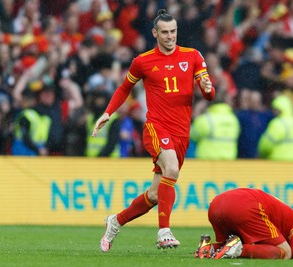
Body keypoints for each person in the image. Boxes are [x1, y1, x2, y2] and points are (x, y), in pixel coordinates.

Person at [92, 9, 215, 252]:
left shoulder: (192, 56)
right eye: (165, 32)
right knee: (171, 169)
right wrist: (108, 112)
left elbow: (209, 94)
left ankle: (115, 221)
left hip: (181, 133)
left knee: (156, 194)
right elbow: (124, 88)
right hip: (156, 127)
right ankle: (164, 232)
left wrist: (207, 88)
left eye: (173, 31)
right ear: (155, 33)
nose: (170, 37)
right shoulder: (143, 61)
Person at [195, 188, 293, 260]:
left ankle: (209, 248)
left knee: (230, 243)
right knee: (285, 252)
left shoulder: (279, 213)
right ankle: (239, 250)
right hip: (244, 207)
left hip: (215, 205)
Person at [258, 94, 293, 161]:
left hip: (279, 163)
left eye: (275, 109)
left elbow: (265, 146)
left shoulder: (277, 123)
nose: (273, 112)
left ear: (279, 109)